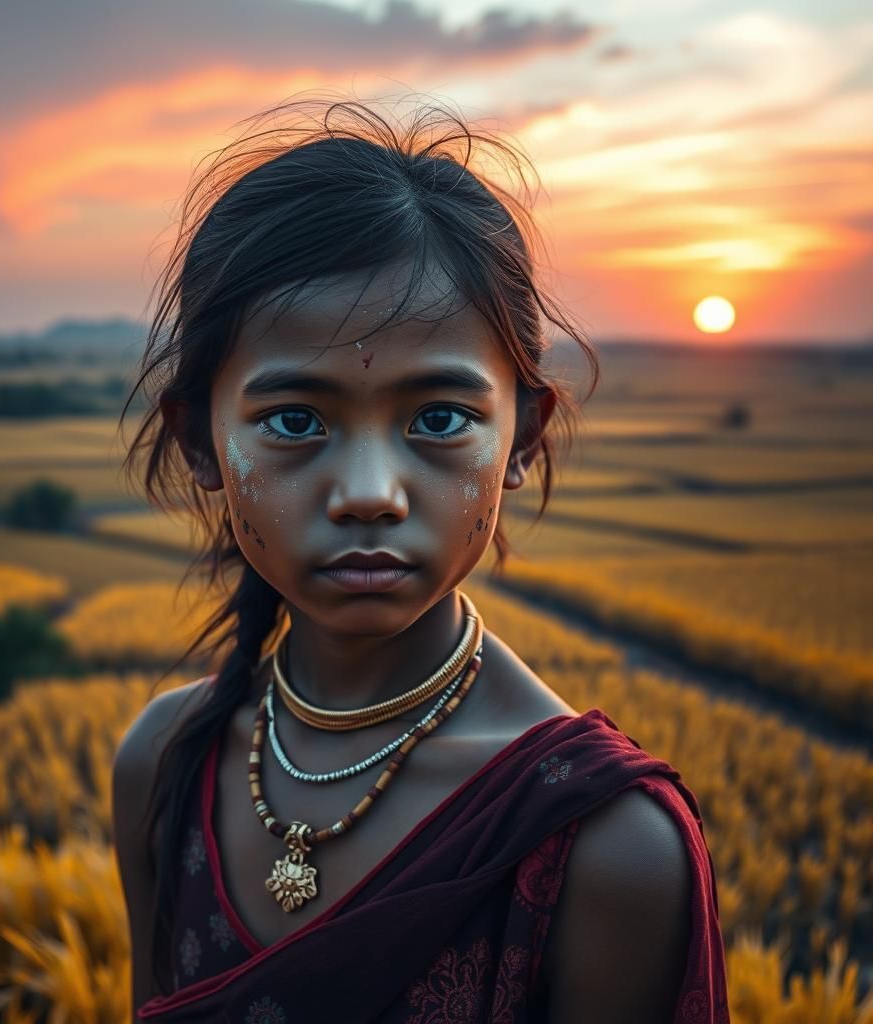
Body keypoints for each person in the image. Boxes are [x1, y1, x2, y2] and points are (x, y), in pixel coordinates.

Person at [111, 92, 730, 1023]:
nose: (370, 493)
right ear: (200, 442)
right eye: (295, 421)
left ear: (523, 439)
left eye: (439, 418)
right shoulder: (164, 765)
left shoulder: (605, 846)